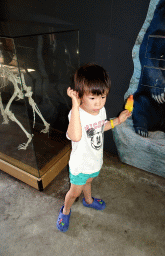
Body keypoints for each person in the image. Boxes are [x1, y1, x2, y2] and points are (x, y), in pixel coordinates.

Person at [57, 63, 131, 232]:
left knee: (89, 182)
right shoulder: (76, 115)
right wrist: (75, 106)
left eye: (103, 97)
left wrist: (117, 121)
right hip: (80, 165)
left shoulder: (100, 110)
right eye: (93, 98)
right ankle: (66, 210)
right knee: (74, 192)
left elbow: (99, 126)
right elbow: (75, 136)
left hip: (94, 161)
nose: (98, 103)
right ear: (80, 95)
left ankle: (88, 200)